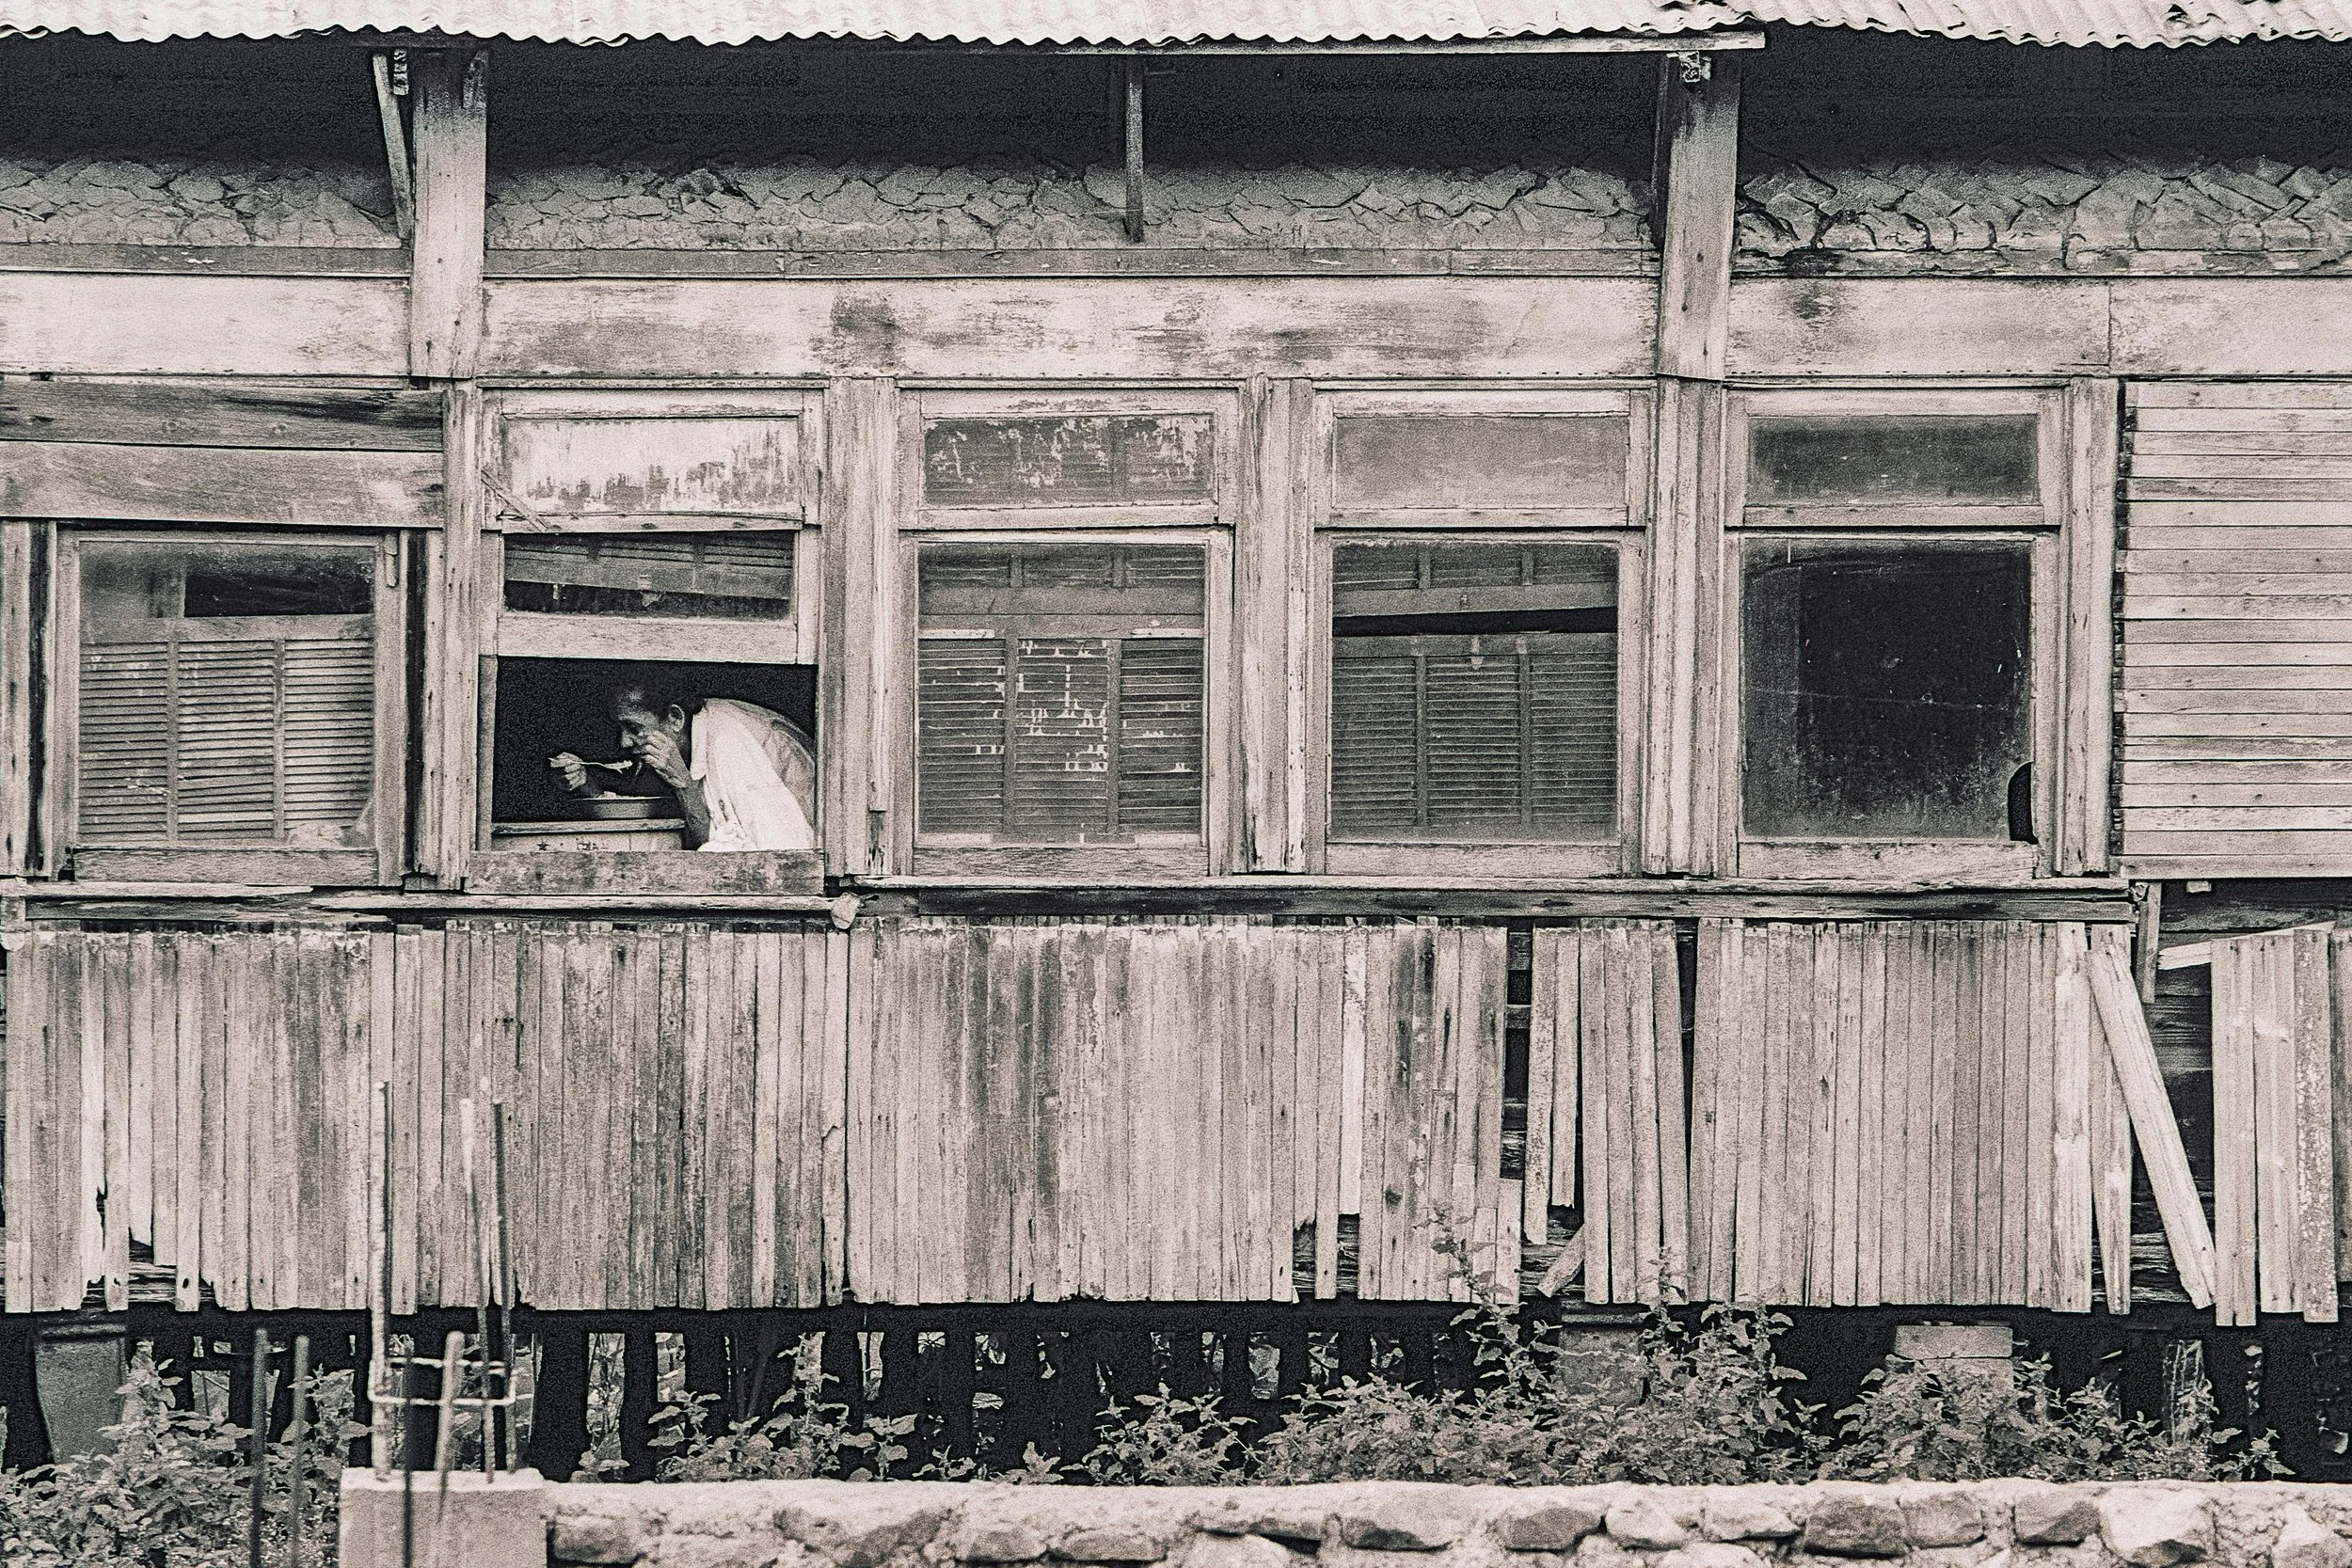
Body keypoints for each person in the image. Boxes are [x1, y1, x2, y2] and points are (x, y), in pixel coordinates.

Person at [551, 682, 817, 851]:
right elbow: (636, 810)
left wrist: (682, 783)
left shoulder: (729, 742)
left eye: (633, 728)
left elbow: (777, 854)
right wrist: (589, 787)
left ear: (675, 717)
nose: (624, 742)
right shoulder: (680, 743)